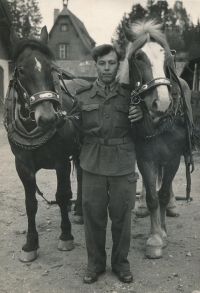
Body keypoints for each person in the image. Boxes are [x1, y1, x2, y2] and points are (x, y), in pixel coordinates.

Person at [58, 44, 144, 284]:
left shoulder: (131, 95)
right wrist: (60, 120)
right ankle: (95, 264)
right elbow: (73, 131)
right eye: (102, 63)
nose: (107, 68)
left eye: (112, 63)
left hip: (123, 162)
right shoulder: (82, 96)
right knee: (93, 217)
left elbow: (145, 131)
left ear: (118, 65)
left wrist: (141, 116)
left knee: (122, 218)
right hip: (92, 163)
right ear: (95, 65)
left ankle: (120, 264)